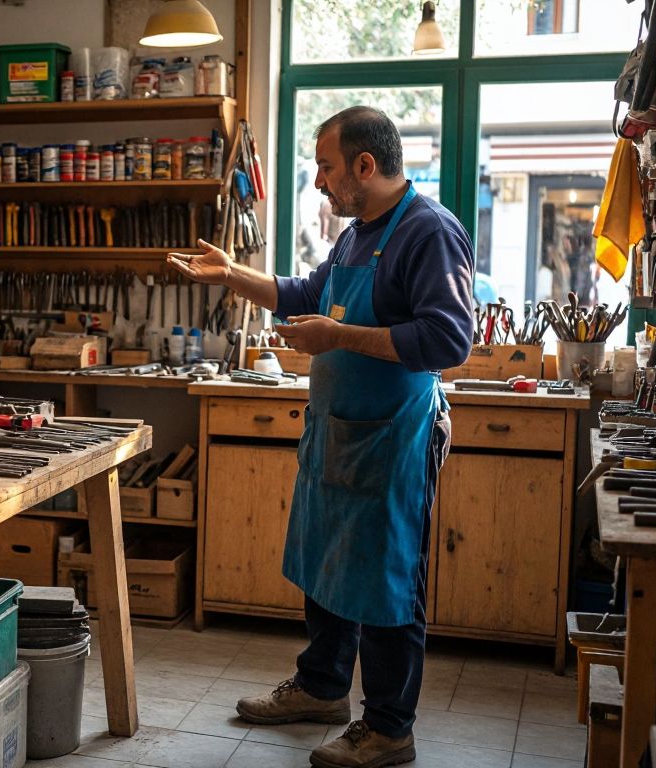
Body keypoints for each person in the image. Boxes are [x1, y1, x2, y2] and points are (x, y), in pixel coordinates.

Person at [167, 106, 475, 768]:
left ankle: (390, 727)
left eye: (326, 167)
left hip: (392, 441)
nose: (317, 183)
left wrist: (334, 337)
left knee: (390, 582)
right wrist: (232, 276)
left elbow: (449, 340)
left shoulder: (429, 231)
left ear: (366, 165)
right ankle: (321, 688)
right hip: (338, 436)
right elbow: (306, 291)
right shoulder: (357, 235)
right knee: (325, 563)